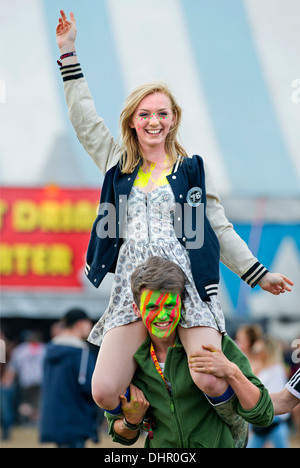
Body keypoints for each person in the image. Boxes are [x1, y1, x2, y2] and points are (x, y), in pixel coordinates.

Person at [55, 10, 293, 418]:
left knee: (210, 378)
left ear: (173, 119)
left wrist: (258, 273)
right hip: (136, 291)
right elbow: (84, 122)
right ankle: (153, 423)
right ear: (133, 120)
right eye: (145, 113)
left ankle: (233, 425)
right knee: (104, 389)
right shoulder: (118, 163)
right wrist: (68, 52)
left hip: (189, 284)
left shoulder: (192, 170)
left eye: (162, 113)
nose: (153, 120)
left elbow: (217, 227)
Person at [106, 256, 273, 448]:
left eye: (169, 305)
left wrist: (231, 371)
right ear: (137, 309)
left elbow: (263, 415)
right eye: (152, 307)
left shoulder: (213, 343)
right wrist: (131, 422)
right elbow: (119, 433)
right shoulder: (132, 359)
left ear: (182, 305)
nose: (162, 315)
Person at [39, 309, 99, 448]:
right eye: (88, 323)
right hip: (75, 419)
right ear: (79, 323)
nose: (90, 327)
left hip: (53, 418)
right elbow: (89, 386)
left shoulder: (50, 349)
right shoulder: (81, 352)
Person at [245, 336, 290, 448]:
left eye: (258, 351)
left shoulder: (276, 369)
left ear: (267, 351)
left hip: (275, 419)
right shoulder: (261, 368)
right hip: (261, 419)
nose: (256, 354)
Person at [1, 330, 46, 425]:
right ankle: (31, 421)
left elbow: (12, 367)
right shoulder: (42, 349)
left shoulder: (22, 350)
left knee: (30, 404)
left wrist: (7, 380)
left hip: (32, 382)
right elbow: (12, 367)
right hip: (33, 382)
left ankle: (31, 421)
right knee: (31, 405)